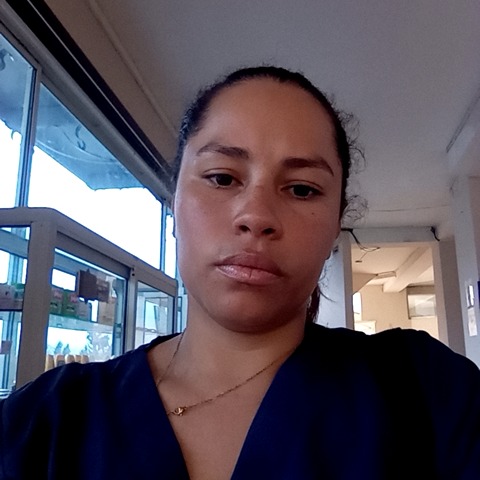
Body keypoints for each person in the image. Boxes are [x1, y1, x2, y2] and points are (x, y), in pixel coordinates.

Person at [1, 66, 480, 480]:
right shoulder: (41, 424)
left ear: (336, 225)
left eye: (302, 189)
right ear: (174, 203)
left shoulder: (427, 393)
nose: (256, 215)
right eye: (222, 178)